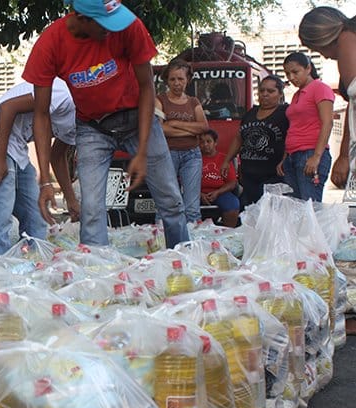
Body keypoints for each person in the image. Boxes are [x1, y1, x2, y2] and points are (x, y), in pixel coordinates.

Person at [22, 0, 189, 249]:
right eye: (104, 24)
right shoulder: (51, 43)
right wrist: (45, 180)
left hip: (136, 118)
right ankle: (94, 272)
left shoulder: (129, 26)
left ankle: (182, 258)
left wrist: (142, 150)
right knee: (91, 209)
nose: (111, 29)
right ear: (81, 17)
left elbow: (147, 88)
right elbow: (42, 114)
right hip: (93, 128)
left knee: (171, 199)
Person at [0, 79, 79, 254]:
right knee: (1, 214)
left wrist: (72, 200)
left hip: (18, 148)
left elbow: (57, 156)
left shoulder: (81, 123)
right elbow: (7, 107)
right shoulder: (63, 93)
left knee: (37, 215)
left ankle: (33, 263)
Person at [298, 7, 356, 190]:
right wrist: (345, 154)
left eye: (316, 48)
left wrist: (346, 156)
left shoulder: (346, 37)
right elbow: (352, 104)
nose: (322, 55)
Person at [223, 76, 289, 206]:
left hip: (272, 175)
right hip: (249, 174)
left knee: (266, 212)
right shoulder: (250, 113)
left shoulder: (285, 113)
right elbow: (239, 138)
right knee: (250, 213)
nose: (264, 94)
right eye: (262, 90)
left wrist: (285, 159)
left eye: (270, 91)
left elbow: (292, 138)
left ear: (280, 94)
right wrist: (227, 160)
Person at [156, 59, 209, 223]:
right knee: (168, 200)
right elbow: (160, 129)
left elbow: (204, 127)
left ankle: (192, 242)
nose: (177, 83)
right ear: (167, 81)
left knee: (192, 204)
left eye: (181, 79)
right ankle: (161, 237)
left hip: (192, 155)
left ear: (188, 80)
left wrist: (175, 123)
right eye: (172, 79)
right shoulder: (160, 100)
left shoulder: (194, 102)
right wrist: (189, 130)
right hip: (167, 154)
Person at [279, 52, 334, 201]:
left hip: (309, 154)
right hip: (292, 156)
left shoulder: (320, 88)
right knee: (296, 210)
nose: (291, 77)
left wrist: (316, 157)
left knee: (310, 210)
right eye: (287, 73)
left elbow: (327, 122)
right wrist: (285, 157)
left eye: (295, 72)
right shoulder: (297, 94)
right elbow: (295, 127)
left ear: (308, 68)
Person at [200, 129, 239, 227]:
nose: (205, 144)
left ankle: (228, 235)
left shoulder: (224, 159)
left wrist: (218, 192)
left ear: (215, 143)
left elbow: (232, 182)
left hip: (220, 192)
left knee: (232, 205)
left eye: (208, 141)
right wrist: (199, 194)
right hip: (196, 194)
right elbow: (185, 182)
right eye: (202, 142)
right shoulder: (193, 159)